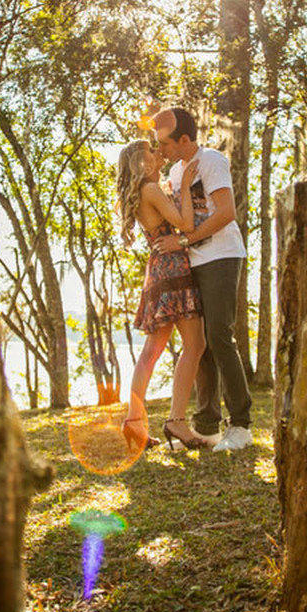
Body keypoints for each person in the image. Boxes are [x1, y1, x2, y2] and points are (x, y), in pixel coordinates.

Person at [150, 107, 253, 452]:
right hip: (191, 262)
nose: (160, 149)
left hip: (221, 257)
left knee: (220, 336)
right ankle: (206, 426)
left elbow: (226, 213)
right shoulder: (177, 170)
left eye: (164, 143)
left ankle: (241, 425)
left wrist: (182, 241)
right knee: (200, 346)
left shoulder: (211, 161)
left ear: (183, 139)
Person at [116, 139, 210, 451]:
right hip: (172, 269)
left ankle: (134, 422)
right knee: (195, 344)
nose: (159, 154)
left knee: (151, 351)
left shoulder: (147, 190)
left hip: (159, 269)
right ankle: (176, 421)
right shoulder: (151, 189)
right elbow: (184, 223)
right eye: (151, 152)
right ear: (140, 162)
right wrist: (183, 190)